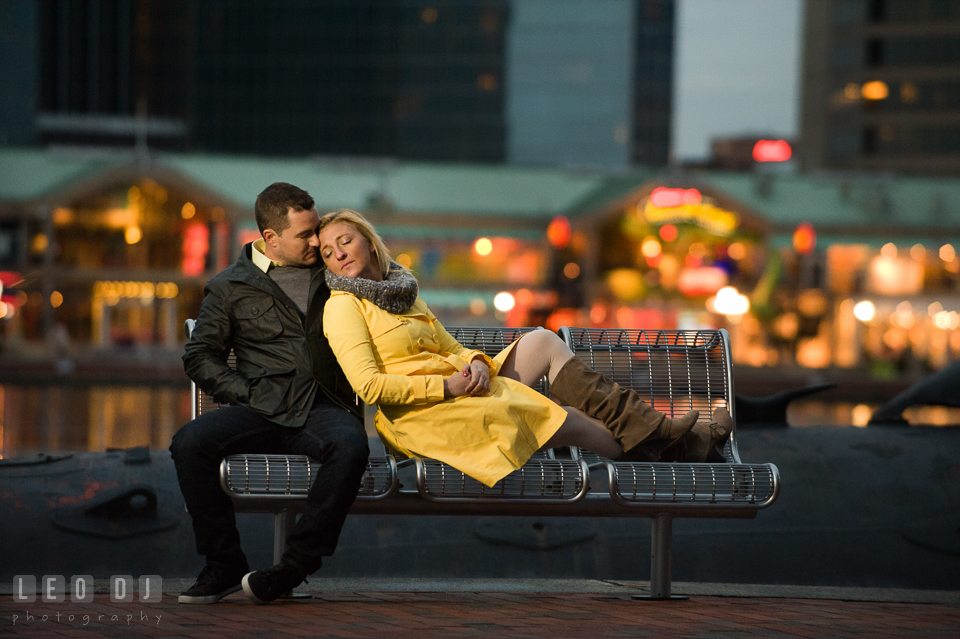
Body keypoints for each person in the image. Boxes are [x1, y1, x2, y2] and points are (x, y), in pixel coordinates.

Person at [317, 209, 730, 488]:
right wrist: (447, 389)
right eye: (327, 252)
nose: (338, 253)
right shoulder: (343, 307)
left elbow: (451, 347)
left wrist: (476, 363)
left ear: (369, 242)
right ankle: (678, 445)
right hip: (424, 418)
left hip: (460, 392)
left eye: (345, 241)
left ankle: (663, 438)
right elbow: (369, 387)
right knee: (565, 418)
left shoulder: (402, 293)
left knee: (542, 340)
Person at [170, 184, 369, 605]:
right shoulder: (229, 285)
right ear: (271, 238)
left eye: (317, 229)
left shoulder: (336, 273)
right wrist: (245, 391)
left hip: (324, 407)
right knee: (189, 443)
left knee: (351, 445)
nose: (318, 241)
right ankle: (223, 565)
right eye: (305, 235)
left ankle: (294, 567)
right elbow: (201, 355)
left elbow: (387, 279)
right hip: (260, 408)